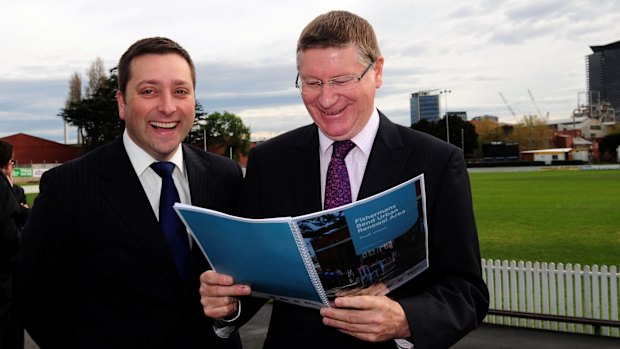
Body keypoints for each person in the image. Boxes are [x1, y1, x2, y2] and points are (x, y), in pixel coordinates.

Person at [199, 11, 489, 349]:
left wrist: (404, 319)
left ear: (377, 72)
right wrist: (227, 305)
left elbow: (467, 291)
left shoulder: (437, 162)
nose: (325, 99)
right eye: (312, 82)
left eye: (341, 80)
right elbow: (252, 279)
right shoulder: (270, 160)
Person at [18, 37, 243, 349]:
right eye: (149, 91)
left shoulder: (226, 176)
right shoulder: (69, 186)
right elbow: (35, 299)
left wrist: (227, 317)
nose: (167, 107)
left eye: (180, 91)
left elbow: (247, 280)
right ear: (122, 103)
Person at [0, 140, 25, 349]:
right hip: (5, 273)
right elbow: (9, 234)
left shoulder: (12, 189)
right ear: (8, 163)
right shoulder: (3, 188)